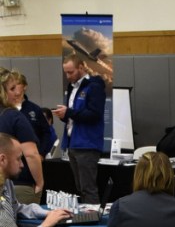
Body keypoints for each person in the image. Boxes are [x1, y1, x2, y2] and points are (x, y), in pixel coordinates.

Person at [51, 54, 106, 204]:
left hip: (87, 144)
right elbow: (75, 115)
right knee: (80, 188)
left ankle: (93, 221)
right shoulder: (72, 86)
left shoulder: (94, 86)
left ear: (81, 67)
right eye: (66, 72)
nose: (68, 76)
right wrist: (63, 115)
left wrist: (68, 112)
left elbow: (94, 114)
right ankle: (86, 218)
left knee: (88, 188)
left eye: (71, 72)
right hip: (72, 143)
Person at [0, 69, 45, 204]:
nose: (17, 92)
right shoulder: (14, 116)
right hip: (19, 185)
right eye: (12, 89)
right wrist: (40, 183)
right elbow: (31, 154)